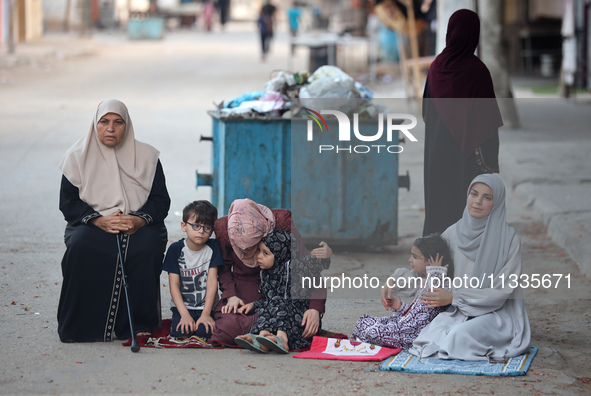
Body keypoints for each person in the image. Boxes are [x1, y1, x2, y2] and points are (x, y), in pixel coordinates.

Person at [58, 99, 170, 342]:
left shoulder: (147, 157)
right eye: (104, 122)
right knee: (81, 244)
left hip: (137, 222)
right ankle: (82, 326)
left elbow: (160, 201)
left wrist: (139, 220)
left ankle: (139, 323)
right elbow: (69, 203)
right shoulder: (76, 157)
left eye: (118, 122)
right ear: (95, 125)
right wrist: (98, 221)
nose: (111, 128)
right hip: (92, 222)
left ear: (126, 126)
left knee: (146, 246)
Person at [410, 174, 531, 361]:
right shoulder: (453, 233)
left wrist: (454, 296)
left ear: (497, 202)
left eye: (487, 197)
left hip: (495, 314)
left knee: (459, 336)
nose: (478, 202)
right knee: (430, 334)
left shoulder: (509, 241)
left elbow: (501, 292)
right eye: (474, 194)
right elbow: (425, 268)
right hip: (458, 311)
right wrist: (395, 282)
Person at [422, 9, 503, 236]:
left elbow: (426, 112)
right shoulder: (478, 72)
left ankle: (437, 252)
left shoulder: (436, 68)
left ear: (450, 33)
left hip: (437, 153)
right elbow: (489, 121)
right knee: (465, 203)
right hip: (467, 158)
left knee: (439, 202)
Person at [209, 198, 329, 346]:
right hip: (243, 293)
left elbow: (311, 272)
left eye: (253, 246)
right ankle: (263, 337)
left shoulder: (282, 224)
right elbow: (224, 269)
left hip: (282, 299)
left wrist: (314, 309)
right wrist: (231, 295)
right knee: (228, 329)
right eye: (240, 248)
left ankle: (272, 337)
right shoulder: (225, 229)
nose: (246, 253)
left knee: (292, 319)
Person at [235, 229, 331, 353]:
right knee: (268, 306)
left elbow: (314, 261)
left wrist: (327, 253)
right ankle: (261, 337)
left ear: (281, 253)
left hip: (300, 319)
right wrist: (255, 305)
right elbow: (270, 301)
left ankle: (282, 339)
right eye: (259, 251)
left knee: (280, 303)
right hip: (280, 318)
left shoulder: (296, 267)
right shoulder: (265, 275)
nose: (259, 256)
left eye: (265, 253)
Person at [351, 234, 453, 349]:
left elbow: (423, 319)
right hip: (403, 325)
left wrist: (436, 272)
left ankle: (366, 339)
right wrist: (400, 307)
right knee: (363, 321)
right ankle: (364, 339)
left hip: (413, 334)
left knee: (373, 331)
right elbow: (415, 314)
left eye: (415, 257)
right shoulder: (423, 281)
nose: (410, 260)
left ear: (430, 260)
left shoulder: (442, 284)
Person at [162, 200, 223, 339]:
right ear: (184, 226)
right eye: (196, 226)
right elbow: (174, 285)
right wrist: (184, 315)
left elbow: (212, 282)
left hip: (206, 306)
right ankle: (183, 317)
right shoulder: (176, 250)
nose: (201, 231)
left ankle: (204, 317)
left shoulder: (213, 248)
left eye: (206, 227)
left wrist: (206, 314)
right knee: (181, 333)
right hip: (183, 306)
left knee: (205, 332)